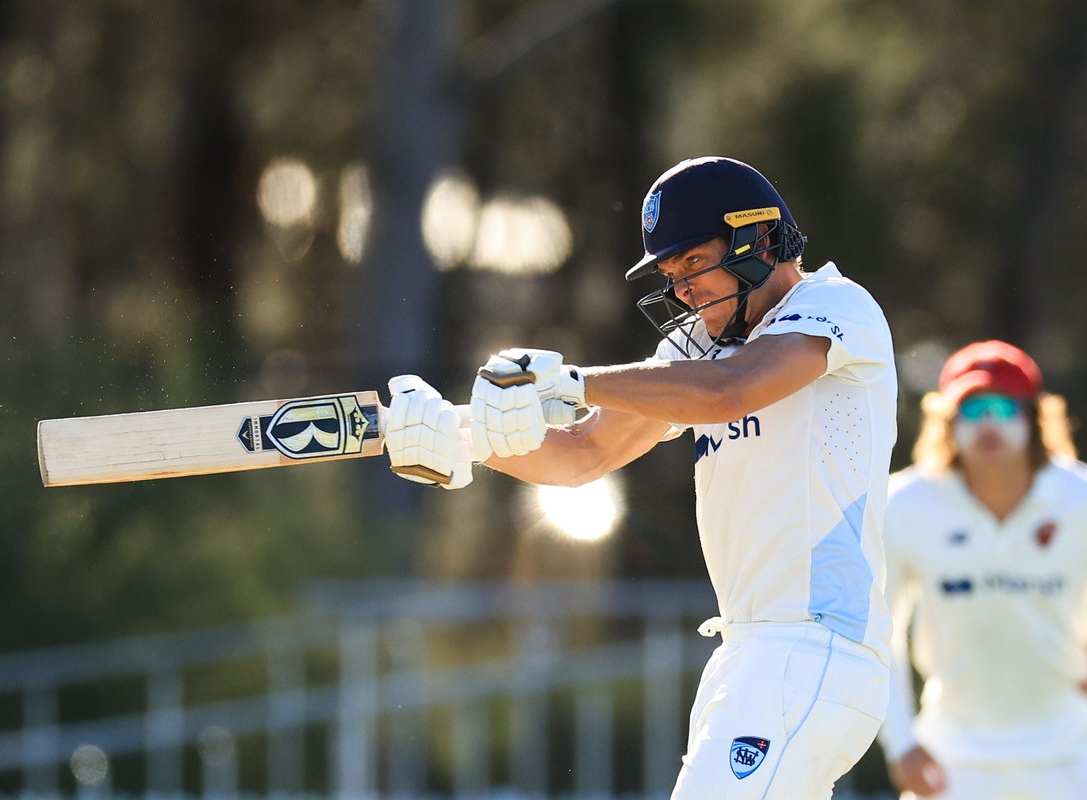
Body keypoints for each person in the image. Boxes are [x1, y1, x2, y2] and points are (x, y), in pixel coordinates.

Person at [384, 156, 898, 798]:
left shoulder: (836, 306)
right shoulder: (699, 349)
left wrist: (574, 381)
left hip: (814, 645)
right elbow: (584, 454)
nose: (682, 289)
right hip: (749, 655)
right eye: (671, 273)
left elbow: (731, 392)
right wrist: (462, 446)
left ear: (758, 240)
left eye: (692, 263)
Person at [877, 340, 1087, 800]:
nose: (988, 423)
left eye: (1002, 406)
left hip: (1070, 757)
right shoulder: (903, 505)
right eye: (972, 410)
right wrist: (901, 744)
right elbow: (879, 631)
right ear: (947, 422)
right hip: (950, 762)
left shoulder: (1081, 498)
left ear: (1034, 416)